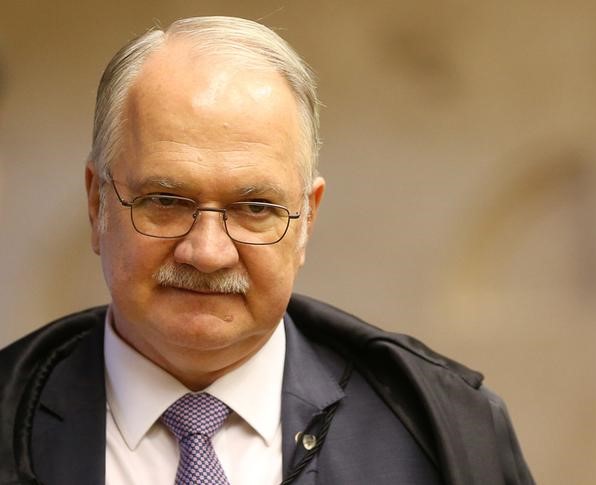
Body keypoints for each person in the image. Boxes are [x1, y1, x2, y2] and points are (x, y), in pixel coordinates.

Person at [0, 16, 534, 485]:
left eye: (255, 208)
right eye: (165, 200)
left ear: (307, 220)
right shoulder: (9, 418)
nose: (207, 253)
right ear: (97, 205)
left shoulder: (445, 433)